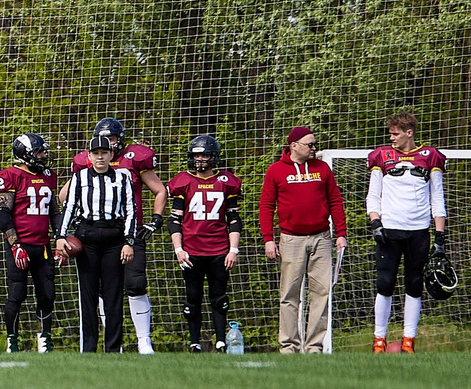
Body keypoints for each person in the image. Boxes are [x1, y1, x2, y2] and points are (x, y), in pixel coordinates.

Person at [73, 116, 165, 352]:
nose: (108, 144)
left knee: (135, 283)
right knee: (105, 288)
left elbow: (160, 190)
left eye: (112, 139)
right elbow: (67, 195)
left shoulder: (134, 159)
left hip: (129, 233)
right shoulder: (89, 161)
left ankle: (143, 340)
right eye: (103, 140)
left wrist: (155, 220)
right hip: (99, 233)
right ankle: (113, 344)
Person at [259, 126, 347, 354]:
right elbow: (266, 206)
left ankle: (315, 347)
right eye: (310, 144)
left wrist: (341, 234)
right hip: (291, 240)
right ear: (294, 146)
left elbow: (335, 201)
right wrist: (268, 238)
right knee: (289, 295)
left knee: (321, 294)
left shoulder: (323, 168)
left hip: (322, 239)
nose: (314, 148)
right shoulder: (276, 171)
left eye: (314, 144)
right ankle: (289, 346)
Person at [366, 110, 446, 355]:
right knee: (385, 283)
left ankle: (409, 339)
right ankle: (379, 339)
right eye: (391, 134)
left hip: (419, 231)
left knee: (414, 284)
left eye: (396, 134)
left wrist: (440, 236)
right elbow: (373, 194)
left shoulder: (430, 156)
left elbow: (437, 197)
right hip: (389, 230)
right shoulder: (382, 156)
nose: (392, 138)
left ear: (409, 133)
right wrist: (375, 223)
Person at [58, 132, 141, 353]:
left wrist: (128, 241)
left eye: (104, 153)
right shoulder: (80, 177)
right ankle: (88, 348)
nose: (100, 157)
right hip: (87, 238)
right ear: (90, 156)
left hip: (114, 238)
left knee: (114, 295)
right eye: (96, 153)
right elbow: (69, 207)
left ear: (111, 154)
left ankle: (114, 349)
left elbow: (132, 211)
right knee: (88, 294)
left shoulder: (123, 177)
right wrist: (60, 236)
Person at [167, 133, 243, 352]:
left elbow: (234, 220)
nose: (199, 160)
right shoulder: (183, 181)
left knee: (219, 297)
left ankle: (220, 341)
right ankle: (194, 342)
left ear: (214, 157)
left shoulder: (226, 182)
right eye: (196, 155)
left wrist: (233, 250)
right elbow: (174, 221)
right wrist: (179, 249)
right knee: (193, 297)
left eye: (204, 155)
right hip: (192, 250)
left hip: (219, 249)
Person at [0, 133, 60, 352]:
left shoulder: (49, 176)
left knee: (47, 293)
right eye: (39, 152)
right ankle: (12, 341)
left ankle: (44, 341)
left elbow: (54, 213)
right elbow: (3, 214)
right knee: (17, 293)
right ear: (25, 155)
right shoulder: (10, 175)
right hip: (20, 245)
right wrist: (15, 245)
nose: (43, 155)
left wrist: (60, 239)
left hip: (43, 246)